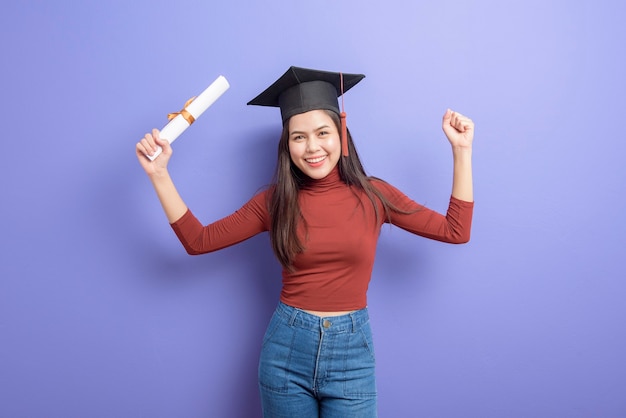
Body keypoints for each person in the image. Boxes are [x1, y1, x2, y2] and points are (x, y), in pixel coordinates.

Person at [136, 66, 474, 418]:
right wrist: (159, 175)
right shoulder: (273, 202)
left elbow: (456, 230)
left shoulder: (375, 195)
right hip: (286, 352)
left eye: (322, 133)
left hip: (351, 358)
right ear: (287, 145)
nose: (312, 147)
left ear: (341, 133)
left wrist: (461, 151)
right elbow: (198, 240)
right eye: (299, 137)